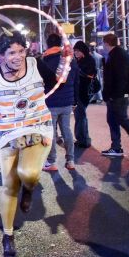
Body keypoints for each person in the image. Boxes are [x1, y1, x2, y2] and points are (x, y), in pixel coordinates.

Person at [0, 30, 60, 257]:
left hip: (37, 126)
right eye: (11, 52)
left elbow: (55, 83)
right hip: (7, 132)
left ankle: (30, 187)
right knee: (9, 184)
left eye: (21, 51)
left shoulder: (36, 64)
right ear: (2, 55)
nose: (18, 56)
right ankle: (7, 235)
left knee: (29, 173)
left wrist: (66, 65)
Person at [42, 33, 79, 171]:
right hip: (67, 100)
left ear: (47, 44)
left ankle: (51, 162)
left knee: (50, 132)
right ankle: (70, 160)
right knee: (66, 130)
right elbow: (76, 79)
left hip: (50, 101)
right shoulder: (70, 59)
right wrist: (74, 99)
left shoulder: (45, 60)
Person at [72, 41, 96, 148]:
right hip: (79, 91)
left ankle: (84, 139)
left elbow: (89, 74)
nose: (75, 53)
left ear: (82, 51)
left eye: (77, 51)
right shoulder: (79, 60)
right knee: (80, 115)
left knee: (80, 116)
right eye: (75, 51)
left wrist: (77, 71)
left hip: (84, 92)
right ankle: (82, 138)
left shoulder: (89, 60)